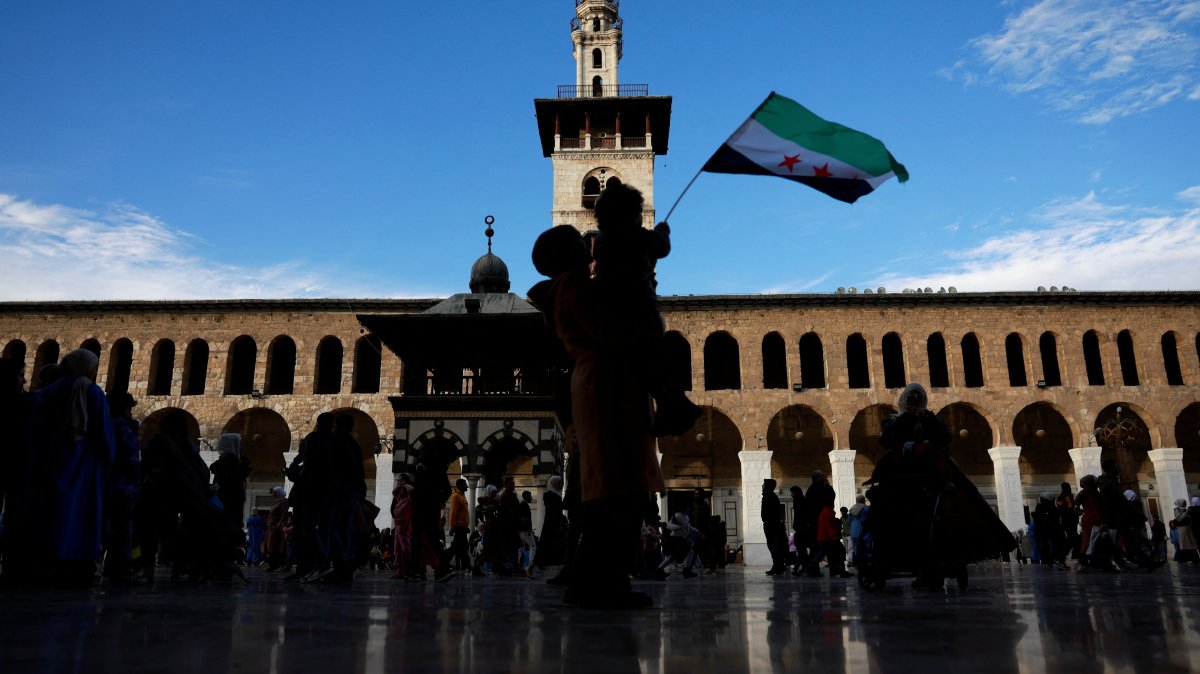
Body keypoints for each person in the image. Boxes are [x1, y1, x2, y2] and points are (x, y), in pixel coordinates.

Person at [528, 222, 665, 609]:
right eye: (576, 240)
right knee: (617, 486)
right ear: (564, 255)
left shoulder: (571, 287)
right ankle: (605, 583)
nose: (584, 243)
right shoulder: (573, 287)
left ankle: (595, 579)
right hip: (604, 383)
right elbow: (612, 331)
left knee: (611, 486)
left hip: (599, 382)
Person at [867, 383, 1014, 589]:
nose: (913, 403)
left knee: (962, 498)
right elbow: (887, 441)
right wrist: (908, 421)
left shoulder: (930, 419)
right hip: (902, 472)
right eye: (910, 399)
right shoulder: (895, 421)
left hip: (929, 470)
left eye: (916, 399)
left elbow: (944, 439)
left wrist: (926, 436)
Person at [589, 183, 700, 438]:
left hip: (612, 318)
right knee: (663, 358)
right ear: (632, 215)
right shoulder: (636, 236)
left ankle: (668, 404)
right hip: (640, 312)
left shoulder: (602, 242)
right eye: (638, 211)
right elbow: (662, 247)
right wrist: (662, 230)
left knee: (647, 366)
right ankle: (672, 408)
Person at [26, 349, 116, 585]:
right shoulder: (91, 391)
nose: (95, 371)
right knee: (80, 512)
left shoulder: (45, 393)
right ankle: (75, 562)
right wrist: (109, 461)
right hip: (82, 464)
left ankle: (43, 561)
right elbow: (103, 433)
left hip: (49, 461)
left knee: (49, 510)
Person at [103, 391, 140, 584]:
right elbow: (131, 459)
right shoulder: (123, 429)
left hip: (106, 485)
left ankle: (108, 565)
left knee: (109, 528)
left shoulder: (105, 425)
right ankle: (121, 568)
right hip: (123, 487)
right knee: (123, 530)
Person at [210, 434, 250, 529]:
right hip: (229, 511)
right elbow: (231, 487)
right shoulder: (230, 464)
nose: (241, 447)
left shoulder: (224, 462)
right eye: (239, 444)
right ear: (231, 446)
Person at [533, 475, 567, 569]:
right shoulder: (549, 496)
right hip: (551, 525)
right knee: (546, 546)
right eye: (560, 483)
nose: (561, 485)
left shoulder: (556, 495)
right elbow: (552, 511)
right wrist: (558, 522)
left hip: (554, 524)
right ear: (554, 484)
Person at [761, 479, 788, 575]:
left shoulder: (769, 496)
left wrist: (767, 524)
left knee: (774, 547)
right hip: (771, 525)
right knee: (774, 547)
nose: (762, 485)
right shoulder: (769, 496)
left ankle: (778, 566)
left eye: (764, 484)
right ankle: (778, 566)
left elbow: (770, 513)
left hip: (771, 526)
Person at [447, 478, 470, 571]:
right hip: (459, 526)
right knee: (462, 546)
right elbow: (453, 512)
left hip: (463, 526)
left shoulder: (462, 496)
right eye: (465, 484)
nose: (467, 486)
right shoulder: (456, 496)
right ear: (460, 486)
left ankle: (465, 565)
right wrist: (452, 527)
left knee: (457, 547)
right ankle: (466, 565)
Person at [265, 487, 289, 570]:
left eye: (274, 493)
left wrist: (278, 526)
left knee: (274, 546)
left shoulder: (283, 502)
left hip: (276, 528)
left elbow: (284, 515)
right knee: (270, 546)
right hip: (271, 528)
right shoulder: (277, 502)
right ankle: (272, 565)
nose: (273, 495)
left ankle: (275, 565)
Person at [517, 490, 538, 578]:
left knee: (520, 548)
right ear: (526, 497)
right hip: (525, 531)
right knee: (533, 546)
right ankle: (530, 566)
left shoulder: (521, 505)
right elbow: (525, 519)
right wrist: (529, 529)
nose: (531, 498)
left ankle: (517, 565)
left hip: (520, 530)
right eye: (530, 496)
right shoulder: (525, 506)